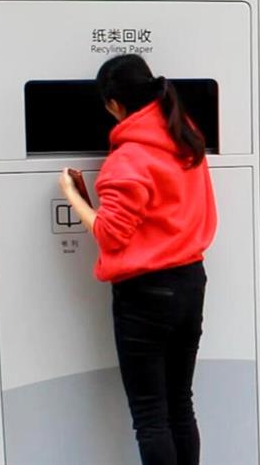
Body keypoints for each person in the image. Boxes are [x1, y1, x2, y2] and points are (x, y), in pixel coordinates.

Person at [58, 53, 216, 465]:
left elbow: (111, 236)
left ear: (113, 104)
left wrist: (73, 196)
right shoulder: (185, 135)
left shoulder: (127, 159)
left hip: (146, 295)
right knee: (180, 404)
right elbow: (152, 216)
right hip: (191, 283)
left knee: (150, 417)